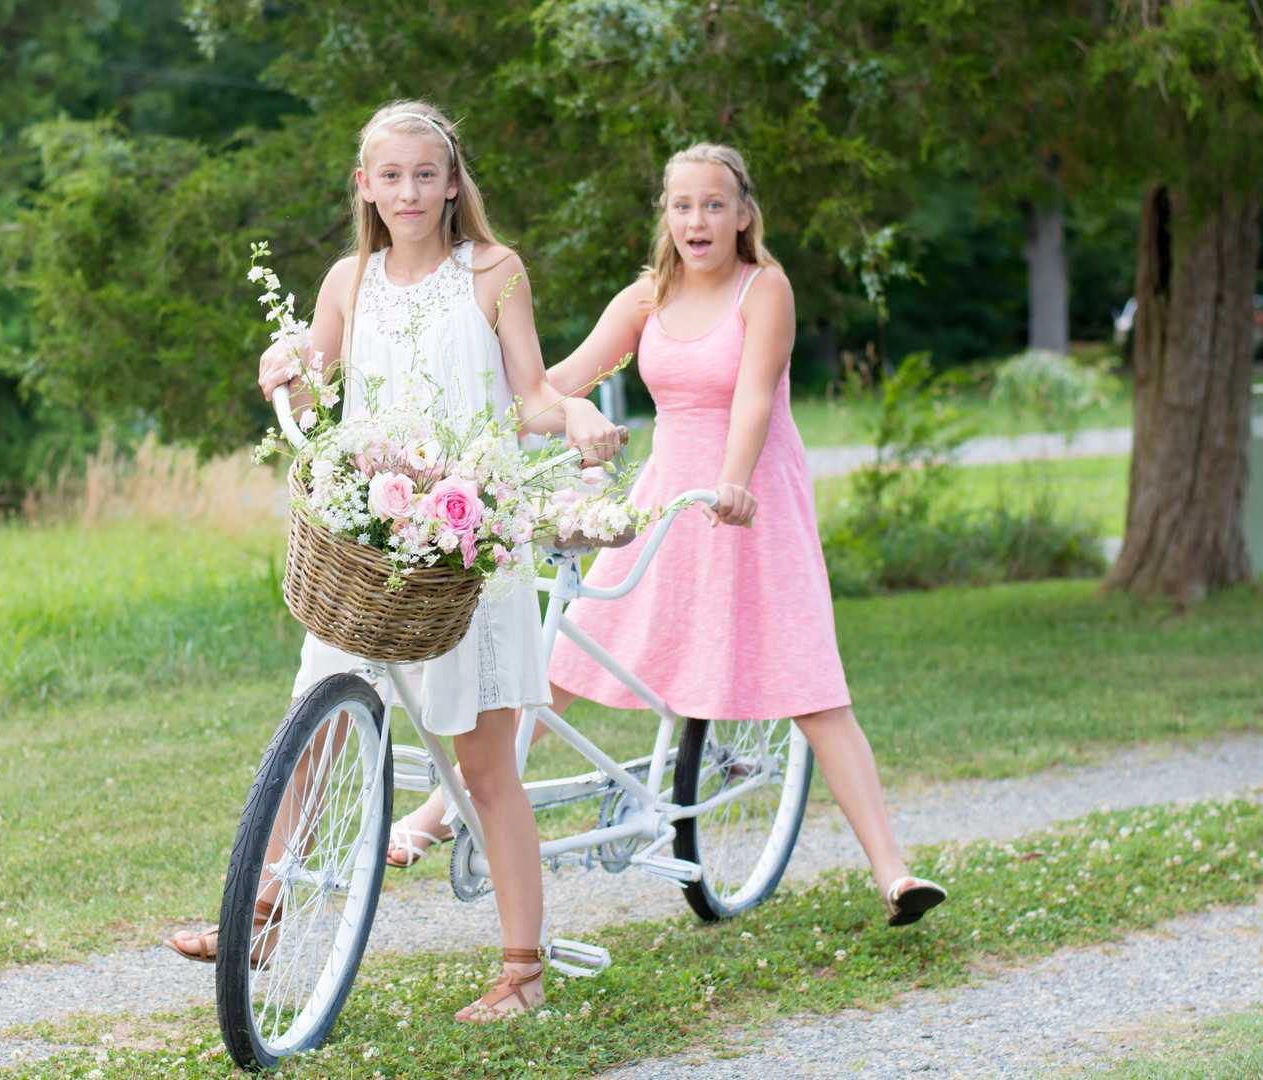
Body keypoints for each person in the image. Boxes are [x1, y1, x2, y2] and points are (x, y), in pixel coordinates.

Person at [385, 142, 946, 929]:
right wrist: (473, 428)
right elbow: (557, 382)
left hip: (753, 501)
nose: (697, 220)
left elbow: (753, 399)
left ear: (743, 214)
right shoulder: (647, 297)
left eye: (714, 204)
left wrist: (736, 483)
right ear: (665, 215)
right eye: (682, 206)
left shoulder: (764, 289)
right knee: (561, 665)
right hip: (665, 499)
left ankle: (894, 874)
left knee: (810, 684)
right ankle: (435, 815)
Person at [164, 100, 624, 1021]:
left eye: (426, 174)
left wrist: (574, 414)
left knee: (485, 767)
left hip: (468, 543)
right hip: (373, 539)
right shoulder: (350, 278)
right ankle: (261, 911)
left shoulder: (494, 272)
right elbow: (319, 377)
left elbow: (530, 393)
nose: (409, 191)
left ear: (453, 182)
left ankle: (522, 972)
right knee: (314, 726)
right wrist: (286, 361)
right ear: (365, 187)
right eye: (391, 176)